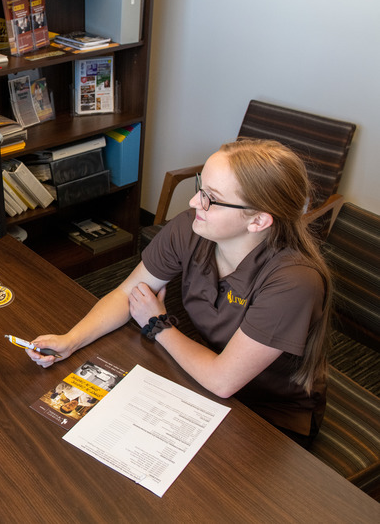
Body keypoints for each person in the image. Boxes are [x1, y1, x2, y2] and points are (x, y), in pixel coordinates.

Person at [26, 139, 332, 447]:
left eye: (211, 198)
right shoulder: (192, 228)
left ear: (258, 220)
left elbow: (223, 380)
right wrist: (70, 340)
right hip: (205, 375)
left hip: (267, 411)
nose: (193, 203)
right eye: (201, 187)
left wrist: (158, 324)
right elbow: (127, 294)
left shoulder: (294, 282)